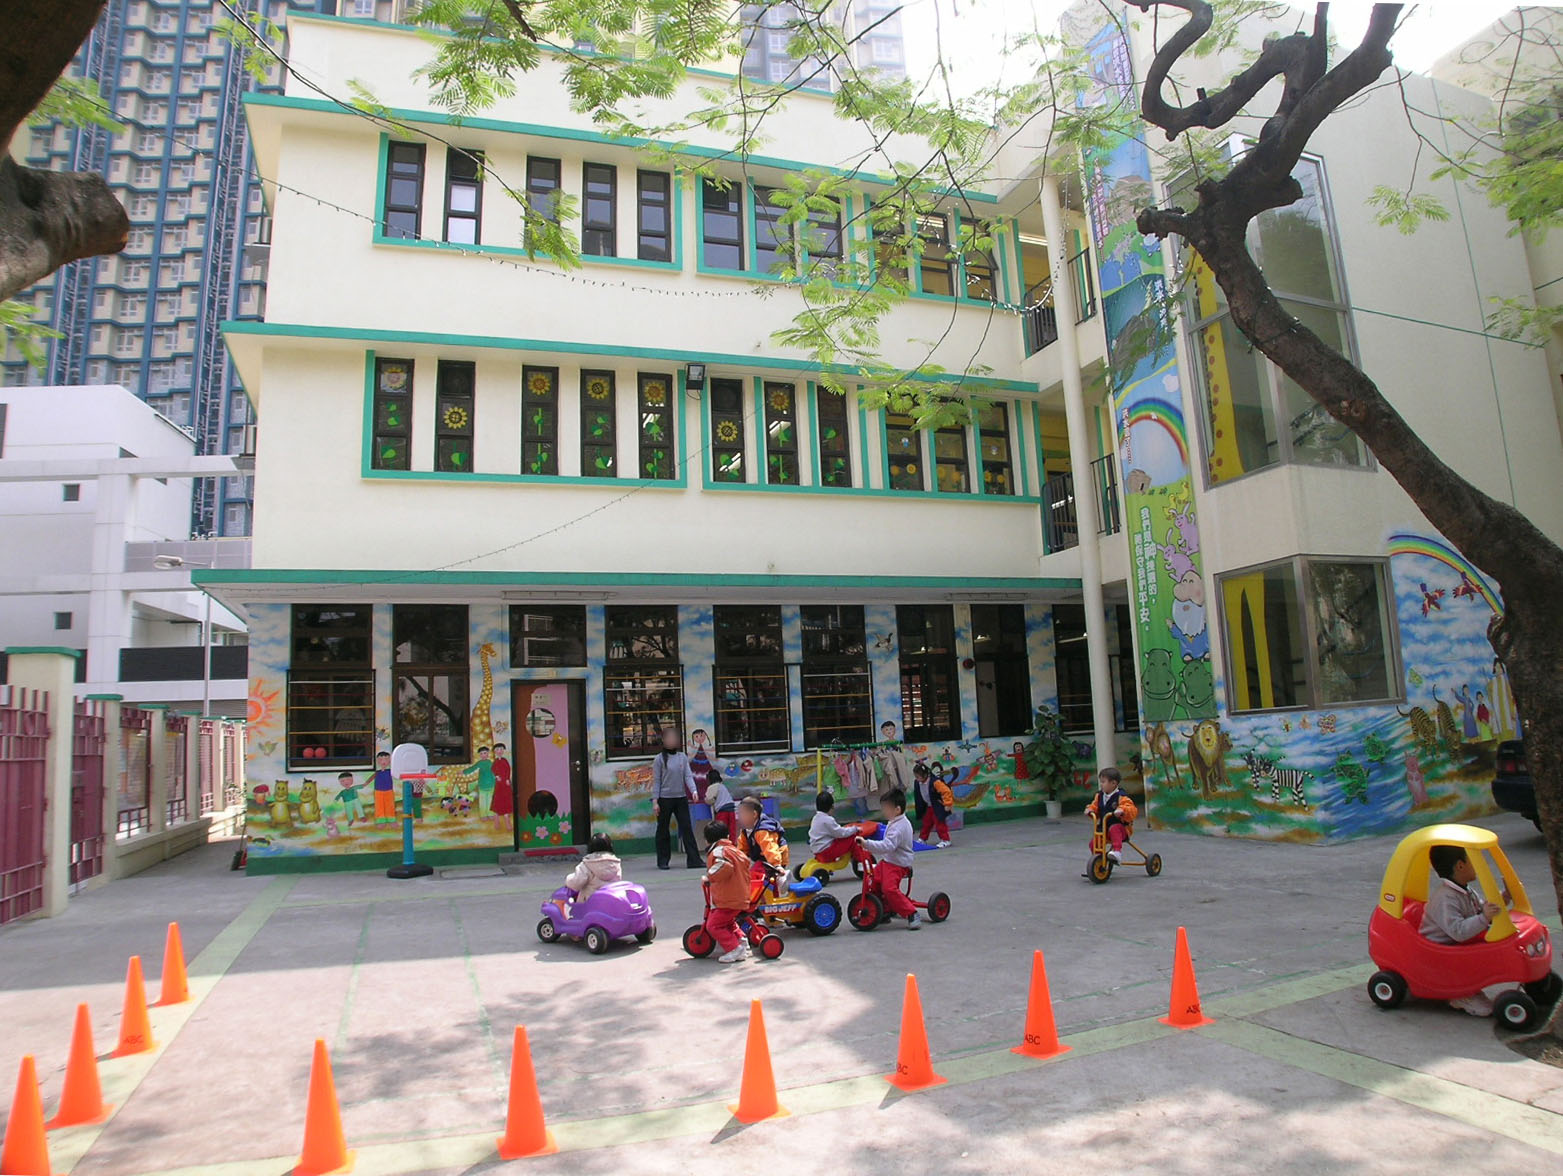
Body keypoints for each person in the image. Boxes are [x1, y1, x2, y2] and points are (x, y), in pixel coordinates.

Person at [1421, 845, 1512, 1016]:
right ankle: (1460, 993)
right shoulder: (1445, 898)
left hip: (1458, 944)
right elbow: (1458, 931)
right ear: (1460, 866)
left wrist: (1504, 897)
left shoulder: (1465, 890)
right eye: (1473, 861)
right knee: (1485, 1009)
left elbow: (1480, 909)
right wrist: (1484, 918)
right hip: (1442, 952)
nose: (1477, 866)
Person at [857, 788, 921, 929]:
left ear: (897, 809)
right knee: (872, 881)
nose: (884, 811)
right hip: (888, 862)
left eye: (886, 808)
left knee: (889, 889)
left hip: (898, 865)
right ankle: (883, 910)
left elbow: (887, 846)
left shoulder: (899, 827)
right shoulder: (895, 821)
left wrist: (867, 844)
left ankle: (912, 913)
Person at [701, 820, 752, 963]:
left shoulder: (718, 851)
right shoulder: (735, 851)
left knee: (714, 925)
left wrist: (709, 877)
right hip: (740, 896)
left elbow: (724, 866)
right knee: (729, 923)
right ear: (728, 836)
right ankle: (742, 944)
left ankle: (733, 949)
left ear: (707, 840)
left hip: (729, 898)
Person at [651, 729, 702, 870]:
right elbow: (656, 781)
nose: (673, 740)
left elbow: (688, 776)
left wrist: (694, 791)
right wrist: (655, 801)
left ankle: (694, 860)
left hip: (681, 798)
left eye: (675, 737)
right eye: (670, 737)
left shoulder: (682, 757)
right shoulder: (659, 759)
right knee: (662, 830)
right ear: (664, 740)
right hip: (664, 799)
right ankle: (663, 861)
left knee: (687, 828)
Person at [735, 795, 791, 896]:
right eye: (739, 814)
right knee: (755, 873)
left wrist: (777, 865)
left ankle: (780, 878)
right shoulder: (746, 830)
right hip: (762, 857)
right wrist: (737, 862)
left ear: (754, 814)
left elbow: (770, 848)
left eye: (743, 814)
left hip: (777, 855)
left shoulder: (762, 830)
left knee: (763, 876)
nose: (740, 817)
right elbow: (742, 849)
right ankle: (765, 896)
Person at [1085, 768, 1137, 864]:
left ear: (1113, 783)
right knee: (1093, 843)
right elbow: (1095, 806)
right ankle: (1099, 861)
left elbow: (1131, 809)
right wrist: (1090, 810)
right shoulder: (1099, 796)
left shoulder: (1121, 796)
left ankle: (1117, 852)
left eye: (1103, 782)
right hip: (1104, 829)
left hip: (1121, 830)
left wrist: (1122, 810)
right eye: (1101, 782)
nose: (1101, 784)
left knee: (1114, 828)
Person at [562, 833, 622, 911]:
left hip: (590, 904)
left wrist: (568, 879)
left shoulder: (588, 863)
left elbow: (576, 882)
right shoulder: (615, 863)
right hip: (612, 902)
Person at [808, 791, 861, 865]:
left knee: (839, 840)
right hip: (826, 852)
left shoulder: (815, 818)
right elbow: (841, 833)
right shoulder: (828, 820)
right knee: (853, 839)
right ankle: (861, 861)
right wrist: (854, 829)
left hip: (817, 850)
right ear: (832, 806)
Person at [872, 721, 911, 818]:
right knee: (891, 796)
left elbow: (902, 758)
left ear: (894, 730)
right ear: (882, 731)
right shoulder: (882, 744)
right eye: (886, 730)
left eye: (891, 729)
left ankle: (901, 816)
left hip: (898, 773)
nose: (889, 731)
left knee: (899, 797)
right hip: (889, 774)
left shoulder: (898, 743)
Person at [917, 763, 954, 848]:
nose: (917, 779)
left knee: (939, 823)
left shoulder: (935, 782)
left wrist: (948, 803)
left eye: (918, 776)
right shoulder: (919, 783)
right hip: (929, 806)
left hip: (937, 805)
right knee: (926, 823)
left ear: (925, 775)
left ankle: (946, 840)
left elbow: (946, 791)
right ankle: (922, 838)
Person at [490, 742, 514, 832]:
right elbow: (493, 769)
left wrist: (507, 779)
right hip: (499, 784)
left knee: (506, 799)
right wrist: (496, 775)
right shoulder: (495, 762)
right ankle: (496, 820)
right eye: (497, 750)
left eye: (501, 749)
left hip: (506, 783)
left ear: (503, 750)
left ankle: (507, 820)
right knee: (498, 800)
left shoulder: (505, 760)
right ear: (495, 752)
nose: (499, 751)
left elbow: (508, 770)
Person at [371, 750, 396, 822]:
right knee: (379, 805)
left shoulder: (391, 771)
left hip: (389, 790)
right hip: (378, 791)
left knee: (389, 804)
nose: (383, 761)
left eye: (386, 759)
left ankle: (391, 818)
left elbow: (396, 776)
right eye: (381, 759)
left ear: (389, 761)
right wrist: (366, 783)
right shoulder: (377, 772)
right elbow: (372, 777)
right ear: (378, 761)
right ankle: (380, 820)